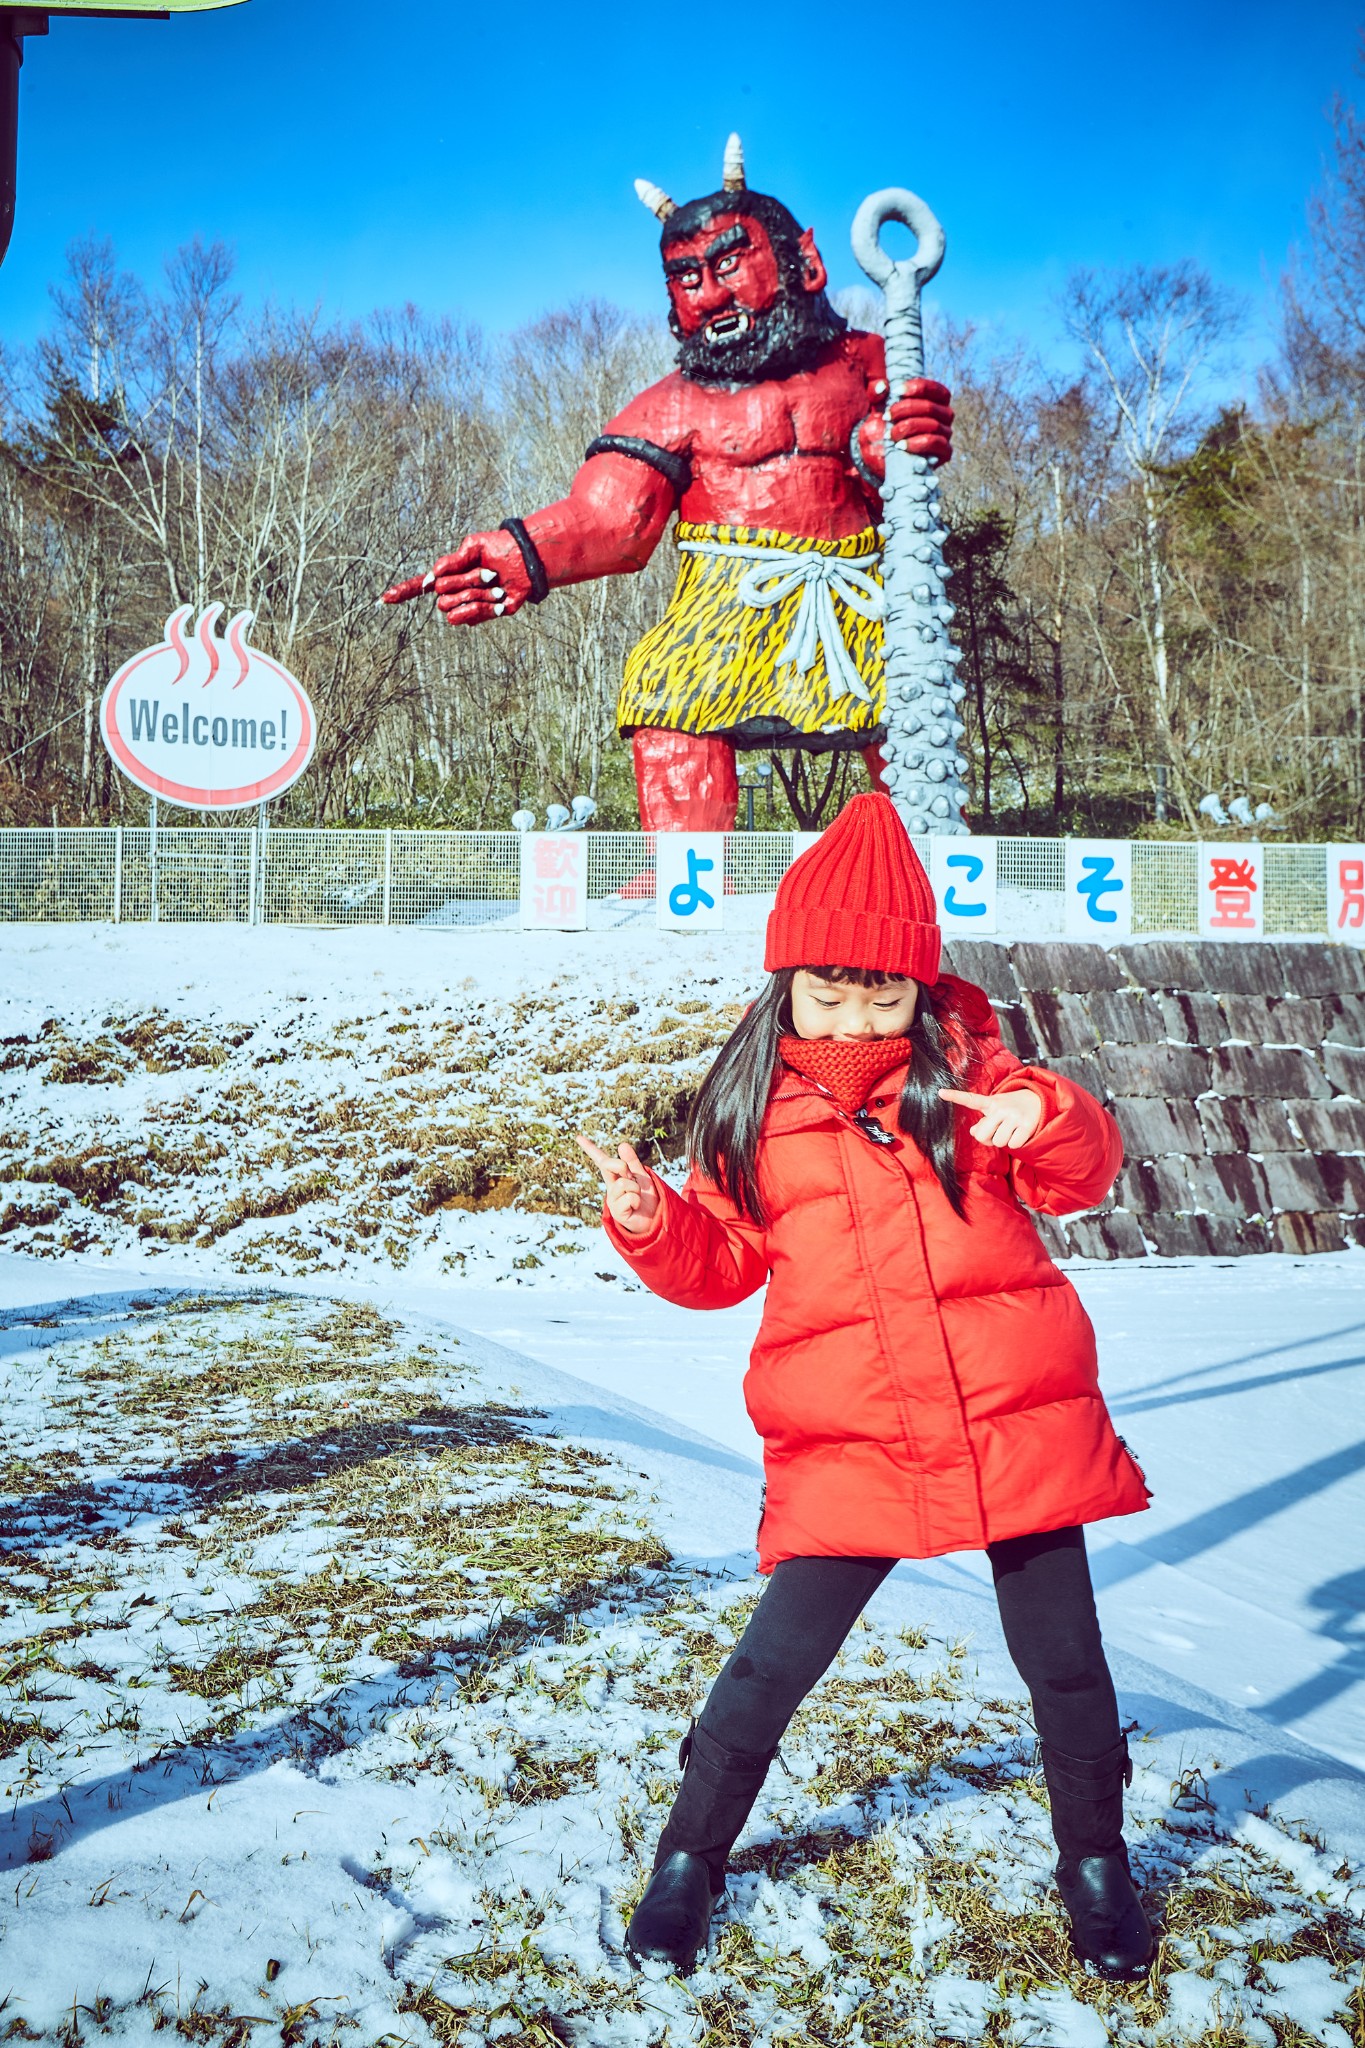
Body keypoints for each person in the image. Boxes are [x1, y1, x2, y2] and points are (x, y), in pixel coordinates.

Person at [577, 794, 1153, 1982]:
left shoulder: (977, 1075)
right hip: (854, 1431)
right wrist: (652, 1226)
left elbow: (1082, 1171)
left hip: (1011, 1418)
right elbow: (722, 1264)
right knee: (770, 1666)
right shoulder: (748, 1112)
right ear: (784, 976)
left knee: (1069, 1664)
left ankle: (1097, 1863)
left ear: (918, 983)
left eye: (883, 994)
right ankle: (689, 1857)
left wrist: (1046, 1116)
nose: (855, 1016)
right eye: (828, 992)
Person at [380, 137, 954, 835]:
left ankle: (918, 861)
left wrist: (899, 439)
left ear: (805, 259)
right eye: (685, 280)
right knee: (665, 693)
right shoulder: (672, 404)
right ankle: (686, 874)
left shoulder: (870, 359)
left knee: (913, 712)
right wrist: (517, 555)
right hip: (724, 606)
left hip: (863, 596)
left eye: (728, 264)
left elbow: (885, 462)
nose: (709, 295)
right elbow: (610, 518)